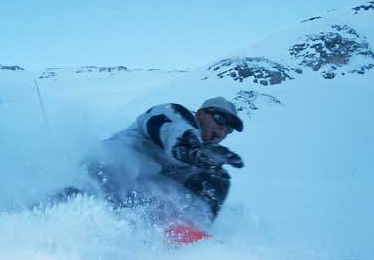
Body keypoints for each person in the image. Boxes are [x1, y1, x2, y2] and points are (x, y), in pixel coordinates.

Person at [62, 97, 245, 238]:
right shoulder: (175, 114)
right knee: (119, 171)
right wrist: (190, 147)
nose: (222, 130)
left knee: (217, 179)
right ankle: (55, 216)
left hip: (137, 194)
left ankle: (185, 240)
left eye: (228, 129)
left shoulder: (202, 162)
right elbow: (169, 129)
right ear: (200, 114)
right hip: (108, 168)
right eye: (220, 119)